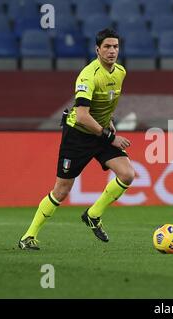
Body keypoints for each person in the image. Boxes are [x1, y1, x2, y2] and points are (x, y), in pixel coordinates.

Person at [18, 28, 134, 250]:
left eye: (115, 47)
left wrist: (109, 123)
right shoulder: (88, 75)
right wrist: (111, 137)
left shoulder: (120, 72)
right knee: (61, 190)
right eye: (107, 47)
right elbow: (81, 116)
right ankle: (28, 236)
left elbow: (107, 106)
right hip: (78, 135)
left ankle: (93, 214)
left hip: (99, 132)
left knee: (127, 174)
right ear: (97, 50)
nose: (112, 51)